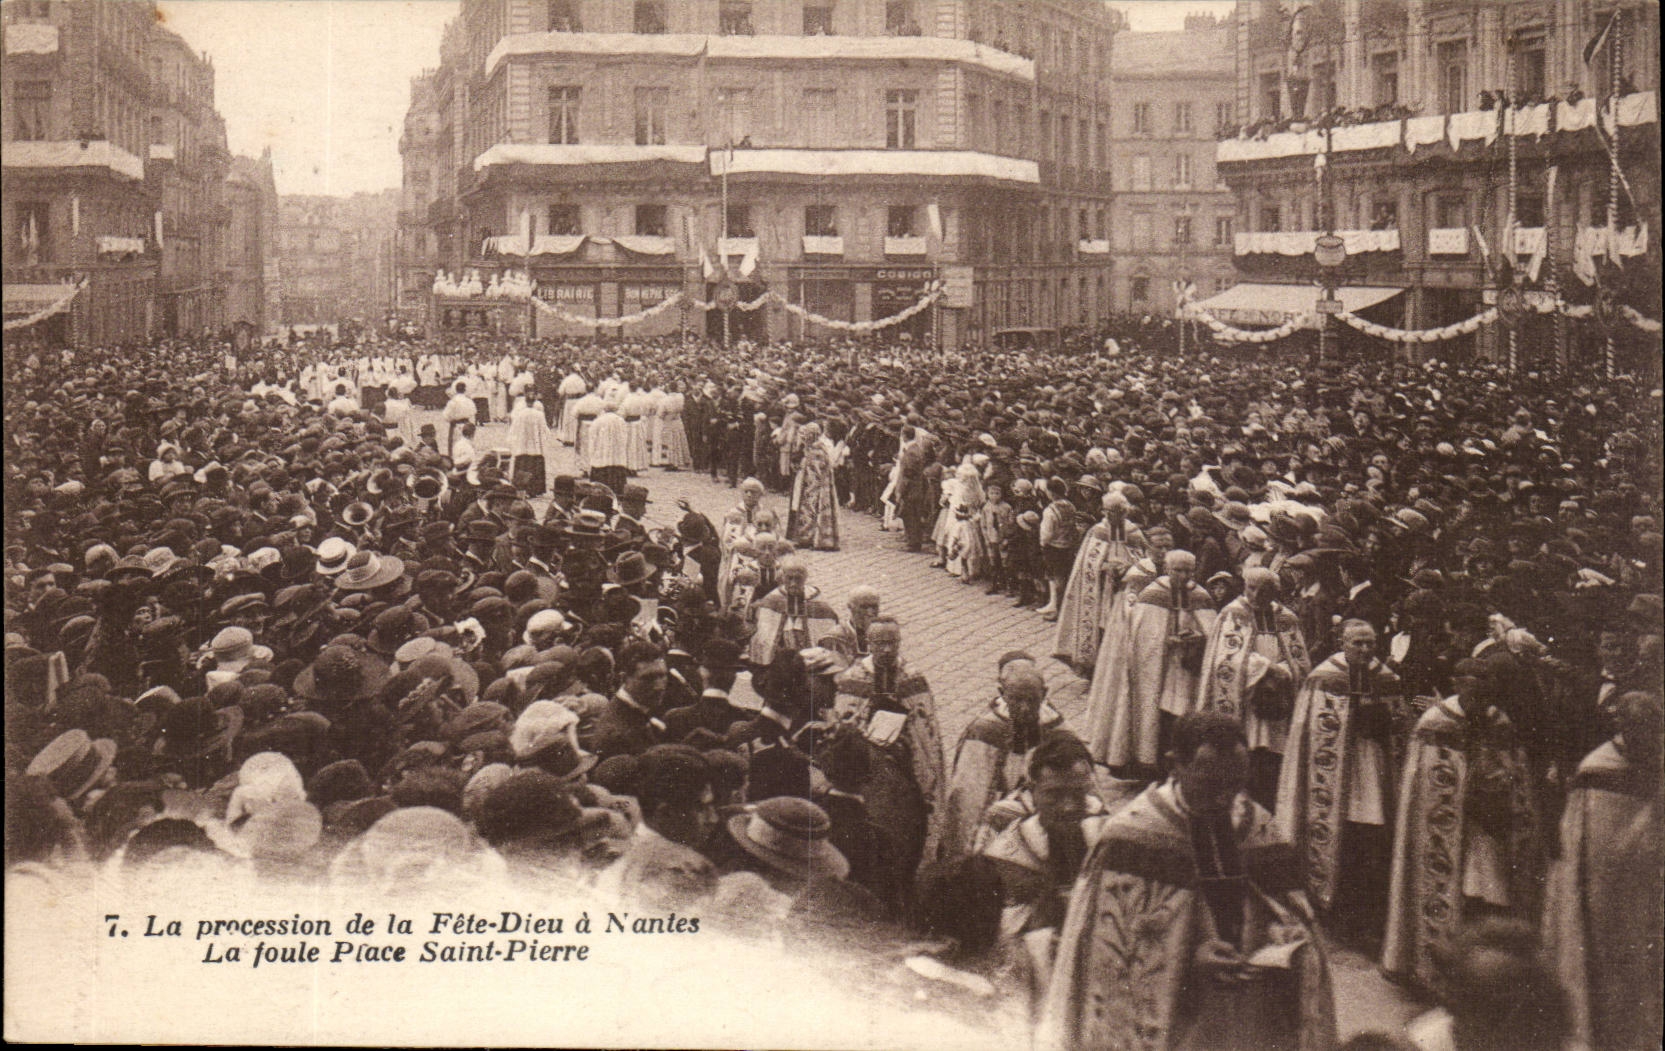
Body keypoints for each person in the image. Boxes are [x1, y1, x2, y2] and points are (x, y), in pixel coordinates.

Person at [1037, 711, 1336, 1051]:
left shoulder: (1260, 829)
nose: (1225, 797)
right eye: (1210, 784)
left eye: (1236, 782)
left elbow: (1295, 920)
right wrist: (1187, 965)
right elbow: (1107, 963)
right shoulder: (1129, 840)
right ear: (1173, 765)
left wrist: (1282, 943)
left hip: (1248, 1018)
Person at [1383, 659, 1540, 988]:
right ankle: (1438, 968)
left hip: (1488, 828)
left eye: (1486, 692)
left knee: (1488, 895)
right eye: (1472, 689)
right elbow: (1424, 784)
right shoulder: (1435, 722)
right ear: (1456, 685)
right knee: (1448, 891)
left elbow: (1516, 771)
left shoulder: (1500, 721)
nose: (1480, 700)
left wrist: (1501, 791)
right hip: (1447, 827)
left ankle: (1480, 973)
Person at [1542, 689, 1664, 1051]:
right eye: (1638, 727)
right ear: (1621, 725)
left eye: (1653, 727)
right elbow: (1585, 845)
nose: (1647, 735)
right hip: (1608, 894)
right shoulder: (1597, 770)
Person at [1277, 619, 1404, 943]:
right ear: (1343, 644)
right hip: (1332, 779)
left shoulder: (1387, 678)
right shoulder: (1323, 677)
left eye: (1369, 644)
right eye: (1356, 643)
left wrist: (1384, 724)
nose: (1363, 650)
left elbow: (1400, 725)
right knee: (1340, 837)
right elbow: (1310, 731)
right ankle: (1334, 913)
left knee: (1371, 839)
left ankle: (1366, 919)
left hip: (1372, 769)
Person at [834, 617, 947, 865]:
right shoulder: (852, 679)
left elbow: (927, 731)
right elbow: (844, 727)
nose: (887, 649)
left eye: (892, 642)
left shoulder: (912, 678)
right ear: (868, 643)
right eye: (880, 643)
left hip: (905, 764)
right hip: (867, 768)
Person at [1097, 549, 1218, 778]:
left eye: (1188, 571)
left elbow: (1212, 632)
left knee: (1183, 715)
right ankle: (1153, 763)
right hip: (1157, 669)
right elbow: (1141, 637)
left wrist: (1199, 638)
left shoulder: (1201, 596)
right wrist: (1164, 642)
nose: (1183, 576)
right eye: (1178, 570)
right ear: (1167, 569)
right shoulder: (1152, 595)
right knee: (1157, 714)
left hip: (1187, 670)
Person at [1196, 566, 1311, 808]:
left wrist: (1285, 671)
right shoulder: (1232, 614)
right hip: (1246, 697)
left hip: (1278, 694)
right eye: (1251, 588)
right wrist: (1267, 668)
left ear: (1274, 591)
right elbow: (1225, 660)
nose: (1256, 595)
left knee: (1273, 754)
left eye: (1264, 590)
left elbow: (1298, 659)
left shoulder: (1286, 617)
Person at [943, 657, 1065, 859]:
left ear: (1044, 694)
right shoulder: (983, 732)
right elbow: (967, 798)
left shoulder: (1057, 728)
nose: (1025, 708)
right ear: (1002, 694)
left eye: (1032, 700)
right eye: (1017, 699)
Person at [1052, 491, 1142, 672]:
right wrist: (1105, 567)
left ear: (1124, 512)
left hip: (1123, 588)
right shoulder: (1098, 531)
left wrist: (1125, 566)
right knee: (1100, 627)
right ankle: (1096, 668)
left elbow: (1138, 556)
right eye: (1107, 511)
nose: (1109, 515)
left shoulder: (1131, 531)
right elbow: (1086, 562)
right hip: (1101, 589)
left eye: (1115, 511)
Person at [746, 558, 839, 668]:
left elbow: (827, 628)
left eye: (798, 579)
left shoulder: (816, 599)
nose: (793, 583)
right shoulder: (772, 599)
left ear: (805, 578)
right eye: (789, 578)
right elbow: (763, 632)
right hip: (780, 653)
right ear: (783, 577)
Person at [788, 421, 841, 552]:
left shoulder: (818, 450)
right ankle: (806, 538)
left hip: (815, 488)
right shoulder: (811, 449)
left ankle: (815, 539)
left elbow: (819, 471)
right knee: (807, 513)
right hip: (808, 486)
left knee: (813, 512)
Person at [443, 379, 476, 456]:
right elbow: (473, 412)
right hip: (466, 425)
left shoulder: (453, 401)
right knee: (467, 445)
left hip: (456, 425)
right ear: (465, 390)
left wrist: (451, 419)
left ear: (456, 390)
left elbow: (446, 415)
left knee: (455, 446)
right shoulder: (469, 401)